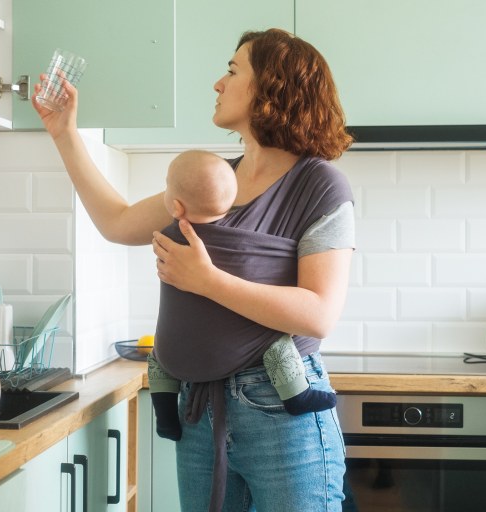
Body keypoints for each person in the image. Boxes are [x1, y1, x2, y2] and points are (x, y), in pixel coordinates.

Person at [33, 27, 354, 512]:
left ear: (273, 87)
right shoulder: (211, 182)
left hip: (281, 410)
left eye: (232, 70)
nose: (217, 84)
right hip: (200, 410)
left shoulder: (320, 185)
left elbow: (318, 314)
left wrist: (207, 281)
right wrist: (65, 133)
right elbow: (118, 222)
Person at [148, 148, 338, 442]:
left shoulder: (170, 237)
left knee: (158, 357)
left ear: (175, 206)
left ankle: (164, 415)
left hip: (180, 359)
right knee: (276, 341)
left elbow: (320, 317)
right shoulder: (239, 241)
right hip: (256, 371)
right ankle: (297, 394)